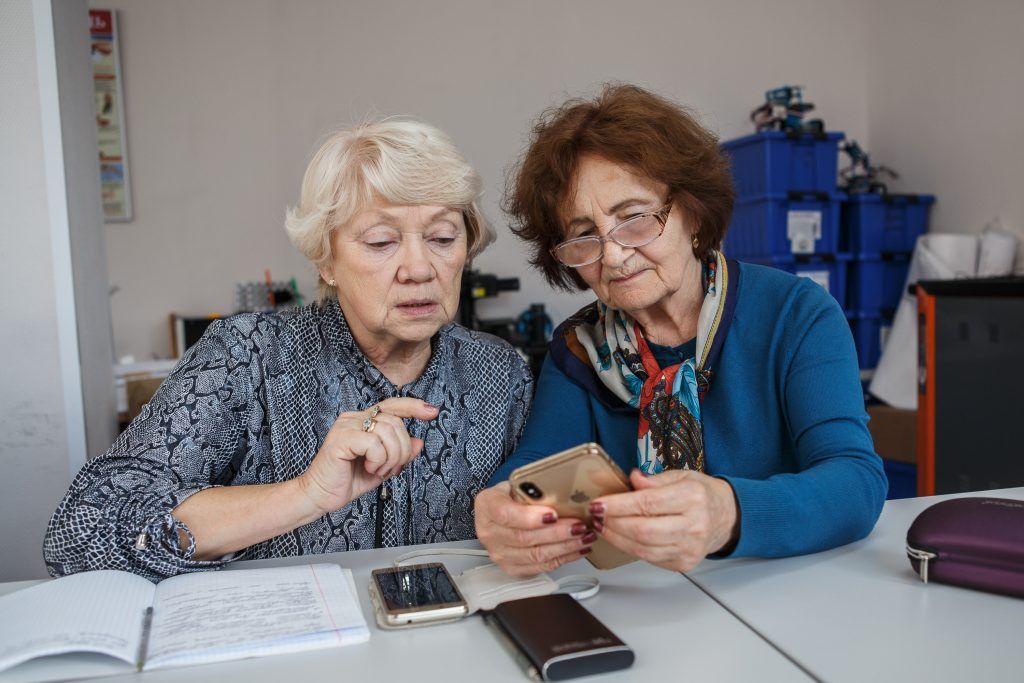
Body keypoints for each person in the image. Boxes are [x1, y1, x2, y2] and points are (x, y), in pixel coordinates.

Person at [44, 119, 534, 581]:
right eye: (382, 241)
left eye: (443, 237)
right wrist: (305, 494)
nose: (419, 268)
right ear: (326, 260)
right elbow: (80, 534)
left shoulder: (501, 371)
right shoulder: (246, 356)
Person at [475, 85, 887, 576]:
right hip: (646, 607)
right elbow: (535, 469)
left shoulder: (796, 315)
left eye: (633, 218)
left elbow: (855, 482)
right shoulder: (579, 349)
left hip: (783, 589)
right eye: (584, 234)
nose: (613, 254)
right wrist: (502, 508)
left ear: (692, 212)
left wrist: (728, 512)